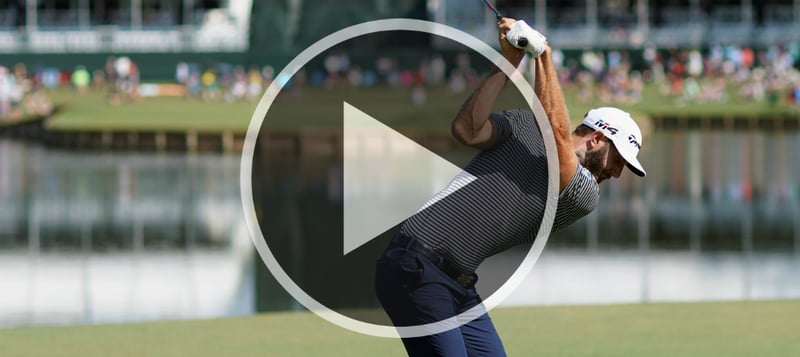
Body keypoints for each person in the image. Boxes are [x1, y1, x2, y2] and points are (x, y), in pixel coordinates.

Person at [374, 17, 647, 357]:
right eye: (618, 160)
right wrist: (511, 59)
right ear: (597, 139)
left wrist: (543, 54)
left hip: (457, 284)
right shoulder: (522, 124)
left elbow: (557, 136)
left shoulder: (585, 194)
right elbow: (466, 130)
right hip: (414, 265)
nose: (618, 173)